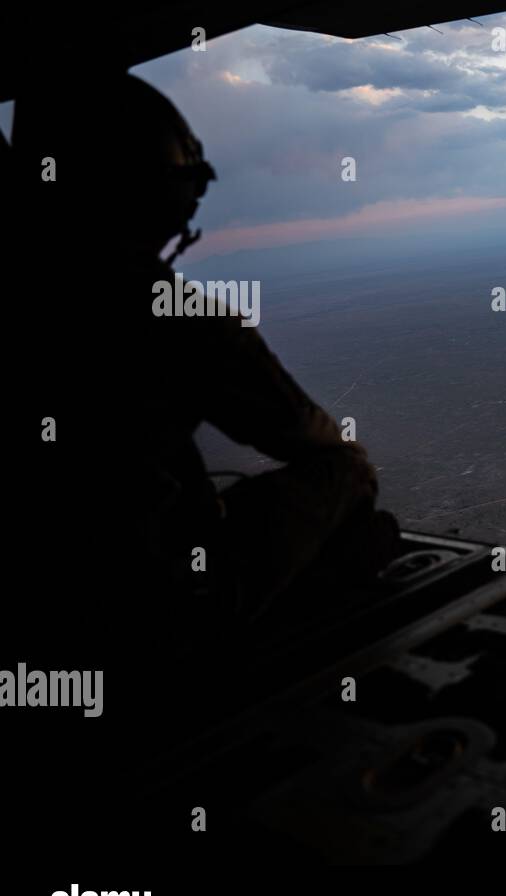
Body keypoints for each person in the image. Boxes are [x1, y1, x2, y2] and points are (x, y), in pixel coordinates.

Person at [12, 72, 400, 634]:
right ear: (165, 197)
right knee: (345, 471)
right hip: (148, 610)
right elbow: (300, 430)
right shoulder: (167, 313)